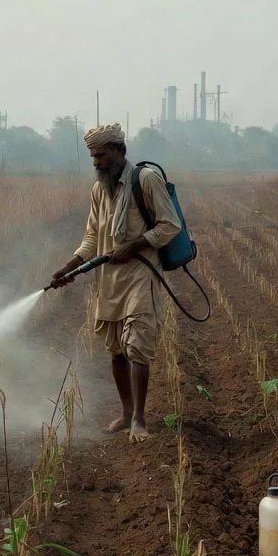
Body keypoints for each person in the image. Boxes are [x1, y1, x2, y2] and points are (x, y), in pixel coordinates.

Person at [49, 123, 181, 442]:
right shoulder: (99, 190)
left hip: (140, 274)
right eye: (93, 157)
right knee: (117, 350)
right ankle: (125, 412)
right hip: (109, 279)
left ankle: (139, 419)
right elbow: (93, 236)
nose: (96, 162)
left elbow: (170, 225)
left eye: (101, 155)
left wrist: (133, 246)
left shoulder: (145, 180)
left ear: (119, 151)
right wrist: (69, 267)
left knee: (136, 345)